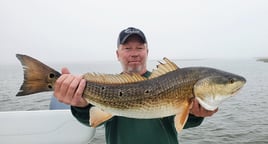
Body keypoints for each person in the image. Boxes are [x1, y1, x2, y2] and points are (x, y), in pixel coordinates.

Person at [54, 27, 218, 144]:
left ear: (147, 52)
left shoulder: (170, 81)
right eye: (127, 48)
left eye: (140, 48)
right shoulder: (105, 87)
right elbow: (93, 119)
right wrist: (81, 106)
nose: (134, 53)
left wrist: (196, 114)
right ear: (117, 54)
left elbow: (184, 122)